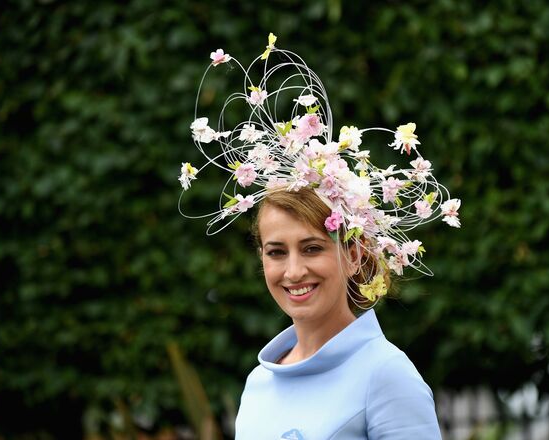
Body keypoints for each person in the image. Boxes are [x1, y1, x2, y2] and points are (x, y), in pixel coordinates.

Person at [178, 33, 461, 439]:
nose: (293, 271)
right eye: (276, 252)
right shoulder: (258, 385)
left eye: (312, 248)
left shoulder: (386, 376)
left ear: (355, 255)